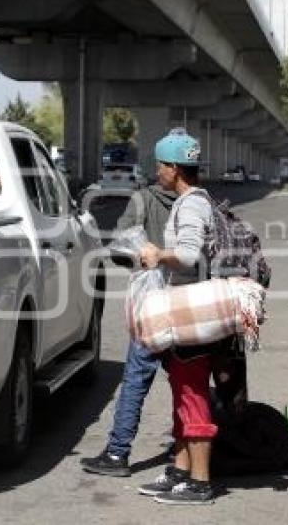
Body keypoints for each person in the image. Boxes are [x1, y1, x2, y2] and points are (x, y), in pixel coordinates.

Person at [136, 128, 217, 505]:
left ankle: (200, 482)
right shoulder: (190, 200)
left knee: (193, 392)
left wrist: (157, 254)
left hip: (192, 313)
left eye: (160, 166)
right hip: (183, 308)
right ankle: (181, 471)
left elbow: (187, 254)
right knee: (182, 392)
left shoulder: (192, 203)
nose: (157, 172)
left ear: (173, 168)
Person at [79, 183, 178, 477]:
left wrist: (142, 258)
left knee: (136, 377)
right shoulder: (199, 200)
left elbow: (120, 249)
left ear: (169, 168)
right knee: (186, 382)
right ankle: (184, 449)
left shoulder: (144, 199)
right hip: (189, 306)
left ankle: (117, 452)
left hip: (152, 306)